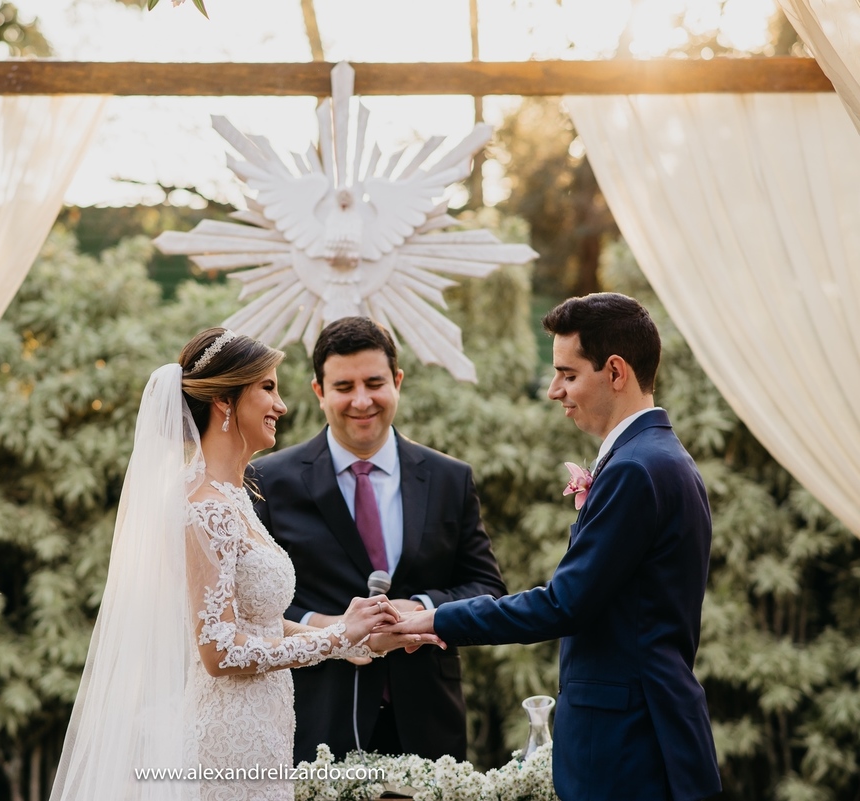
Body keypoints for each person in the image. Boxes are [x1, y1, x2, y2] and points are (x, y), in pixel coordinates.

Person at [50, 328, 438, 801]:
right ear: (225, 402)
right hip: (228, 739)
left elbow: (261, 623)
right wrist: (337, 636)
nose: (282, 406)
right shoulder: (203, 507)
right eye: (268, 388)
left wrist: (355, 638)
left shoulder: (234, 500)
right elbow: (218, 651)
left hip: (263, 731)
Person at [379, 293, 722, 801]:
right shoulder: (660, 458)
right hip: (646, 729)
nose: (552, 389)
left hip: (627, 744)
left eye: (567, 373)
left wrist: (437, 618)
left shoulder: (634, 469)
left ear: (615, 371)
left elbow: (564, 604)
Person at [250, 316, 506, 764]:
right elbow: (252, 605)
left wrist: (423, 609)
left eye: (374, 382)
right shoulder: (269, 481)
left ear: (397, 381)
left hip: (428, 723)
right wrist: (328, 628)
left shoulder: (450, 478)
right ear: (318, 391)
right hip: (316, 719)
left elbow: (487, 588)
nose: (362, 400)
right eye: (344, 387)